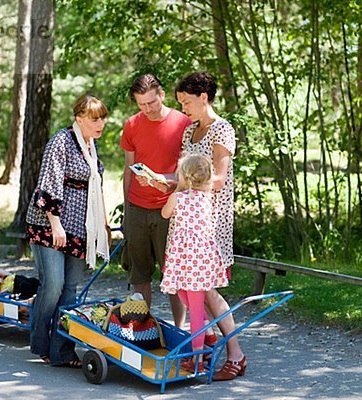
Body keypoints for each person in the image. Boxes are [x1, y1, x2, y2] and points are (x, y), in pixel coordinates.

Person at [26, 93, 111, 367]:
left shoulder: (92, 147)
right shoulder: (61, 142)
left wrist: (105, 226)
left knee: (71, 290)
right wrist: (55, 224)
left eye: (103, 119)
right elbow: (48, 184)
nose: (100, 124)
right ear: (79, 119)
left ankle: (61, 350)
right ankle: (40, 342)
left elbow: (96, 189)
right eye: (94, 119)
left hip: (80, 228)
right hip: (50, 223)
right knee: (53, 285)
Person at [175, 71, 246, 380]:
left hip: (210, 221)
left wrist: (182, 185)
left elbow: (217, 179)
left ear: (203, 97)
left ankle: (236, 356)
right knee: (186, 288)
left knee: (206, 290)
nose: (183, 109)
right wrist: (163, 180)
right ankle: (207, 342)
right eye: (179, 103)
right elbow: (183, 175)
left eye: (187, 102)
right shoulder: (189, 132)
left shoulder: (222, 130)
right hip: (187, 221)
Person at [120, 74, 191, 329]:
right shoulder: (131, 125)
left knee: (173, 277)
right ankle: (141, 332)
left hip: (170, 209)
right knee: (139, 276)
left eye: (152, 102)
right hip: (138, 209)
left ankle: (180, 330)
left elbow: (189, 172)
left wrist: (164, 179)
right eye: (141, 105)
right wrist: (127, 211)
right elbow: (128, 169)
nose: (148, 109)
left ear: (161, 95)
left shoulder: (183, 123)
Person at [159, 153, 228, 373]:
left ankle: (197, 357)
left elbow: (164, 214)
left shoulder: (179, 198)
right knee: (182, 294)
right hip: (194, 260)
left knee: (195, 309)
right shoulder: (206, 198)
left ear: (185, 176)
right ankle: (208, 334)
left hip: (192, 261)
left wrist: (177, 190)